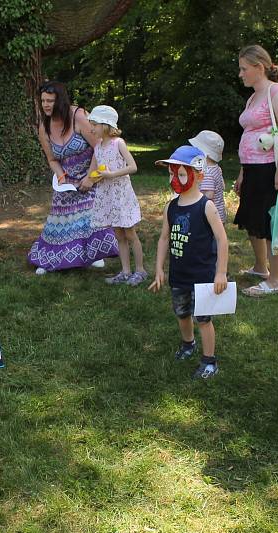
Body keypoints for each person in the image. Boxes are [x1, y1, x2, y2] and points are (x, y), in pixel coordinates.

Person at [149, 146, 229, 380]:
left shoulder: (207, 206)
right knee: (182, 313)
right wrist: (159, 269)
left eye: (181, 174)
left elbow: (222, 240)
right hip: (179, 274)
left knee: (203, 319)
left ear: (198, 175)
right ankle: (188, 343)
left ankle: (209, 361)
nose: (175, 179)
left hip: (203, 275)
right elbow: (164, 238)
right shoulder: (170, 207)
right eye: (172, 174)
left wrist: (220, 273)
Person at [29, 81, 118, 274]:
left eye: (50, 101)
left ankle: (95, 253)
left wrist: (90, 177)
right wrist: (61, 177)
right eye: (43, 100)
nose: (45, 104)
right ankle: (50, 258)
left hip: (92, 171)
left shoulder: (78, 116)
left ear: (60, 100)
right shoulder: (44, 127)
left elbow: (100, 147)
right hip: (67, 178)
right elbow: (52, 159)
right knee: (59, 218)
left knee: (90, 211)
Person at [233, 44, 278, 296]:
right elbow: (249, 133)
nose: (240, 74)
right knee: (252, 220)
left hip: (269, 169)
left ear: (259, 68)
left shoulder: (276, 92)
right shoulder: (252, 96)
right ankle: (261, 267)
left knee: (271, 224)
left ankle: (275, 280)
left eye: (244, 69)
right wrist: (241, 172)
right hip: (251, 169)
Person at [78, 105, 145, 285]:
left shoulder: (118, 143)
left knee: (130, 233)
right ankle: (125, 271)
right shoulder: (98, 147)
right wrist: (89, 179)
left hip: (121, 195)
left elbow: (133, 167)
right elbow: (92, 172)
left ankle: (140, 271)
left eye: (94, 125)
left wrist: (111, 175)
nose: (91, 129)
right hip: (108, 196)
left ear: (105, 125)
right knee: (118, 234)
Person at [189, 130, 227, 223]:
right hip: (218, 215)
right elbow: (223, 186)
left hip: (209, 219)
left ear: (204, 153)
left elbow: (208, 195)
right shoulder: (216, 168)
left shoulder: (207, 173)